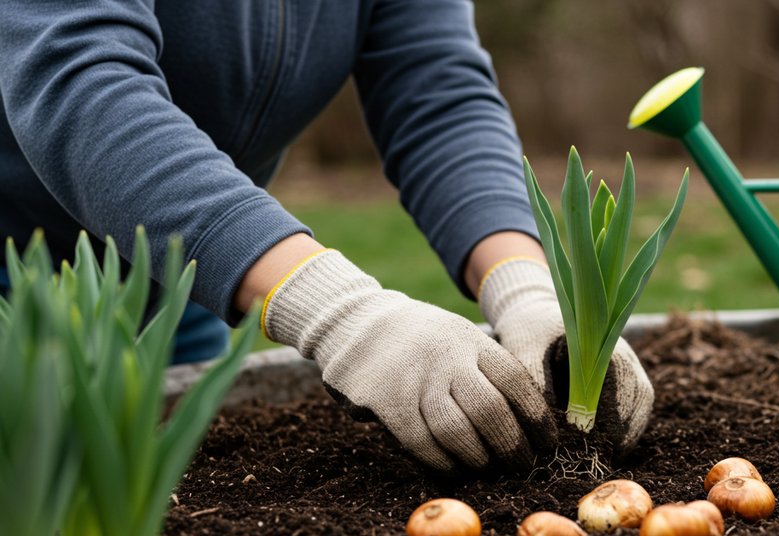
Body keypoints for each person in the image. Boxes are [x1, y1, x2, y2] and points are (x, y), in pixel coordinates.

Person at [0, 1, 654, 472]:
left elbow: (438, 96)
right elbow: (80, 78)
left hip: (183, 276)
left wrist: (527, 290)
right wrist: (343, 314)